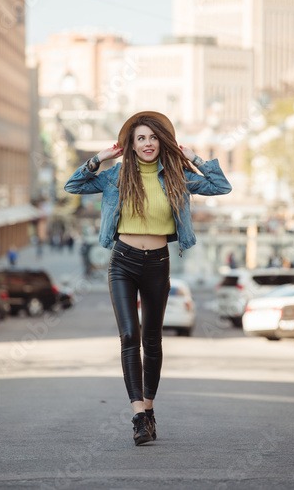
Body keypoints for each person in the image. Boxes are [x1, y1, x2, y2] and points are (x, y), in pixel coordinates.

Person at [64, 111, 232, 446]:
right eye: (140, 138)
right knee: (130, 334)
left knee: (152, 340)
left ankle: (151, 408)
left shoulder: (176, 176)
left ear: (162, 142)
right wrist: (99, 158)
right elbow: (73, 185)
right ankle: (139, 415)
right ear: (131, 144)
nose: (147, 144)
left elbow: (221, 186)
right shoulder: (115, 176)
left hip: (157, 263)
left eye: (153, 137)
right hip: (122, 262)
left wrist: (193, 157)